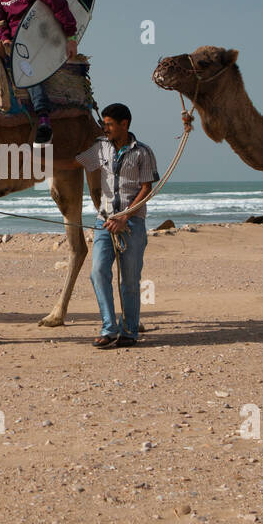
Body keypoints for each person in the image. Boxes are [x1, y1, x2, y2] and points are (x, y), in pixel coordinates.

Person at [76, 103, 158, 348]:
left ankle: (130, 332)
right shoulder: (100, 148)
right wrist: (40, 158)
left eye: (109, 124)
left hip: (131, 223)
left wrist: (124, 216)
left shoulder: (143, 152)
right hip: (104, 222)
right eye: (104, 124)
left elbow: (147, 188)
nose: (105, 128)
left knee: (130, 281)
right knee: (98, 273)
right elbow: (76, 163)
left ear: (125, 124)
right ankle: (109, 328)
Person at [0, 0, 78, 144]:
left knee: (25, 68)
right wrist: (4, 39)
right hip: (12, 43)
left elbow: (57, 3)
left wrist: (70, 35)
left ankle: (44, 119)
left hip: (37, 41)